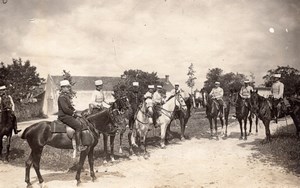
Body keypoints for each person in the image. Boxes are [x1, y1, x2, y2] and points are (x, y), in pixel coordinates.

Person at [57, 80, 86, 151]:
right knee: (78, 126)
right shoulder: (62, 97)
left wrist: (76, 111)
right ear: (62, 88)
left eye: (68, 87)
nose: (68, 88)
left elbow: (70, 107)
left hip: (66, 115)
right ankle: (78, 146)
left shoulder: (66, 96)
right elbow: (65, 109)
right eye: (67, 87)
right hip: (63, 116)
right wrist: (74, 115)